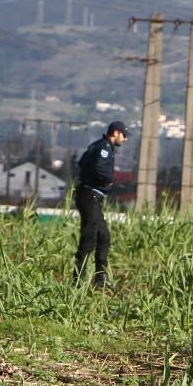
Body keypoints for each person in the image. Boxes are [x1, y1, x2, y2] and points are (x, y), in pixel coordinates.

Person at [73, 121, 128, 286]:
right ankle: (78, 280)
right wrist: (109, 180)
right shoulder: (104, 148)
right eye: (124, 135)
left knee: (103, 236)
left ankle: (100, 278)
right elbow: (99, 167)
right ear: (116, 133)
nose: (125, 139)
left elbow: (81, 163)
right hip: (91, 197)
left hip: (89, 196)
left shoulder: (97, 145)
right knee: (89, 238)